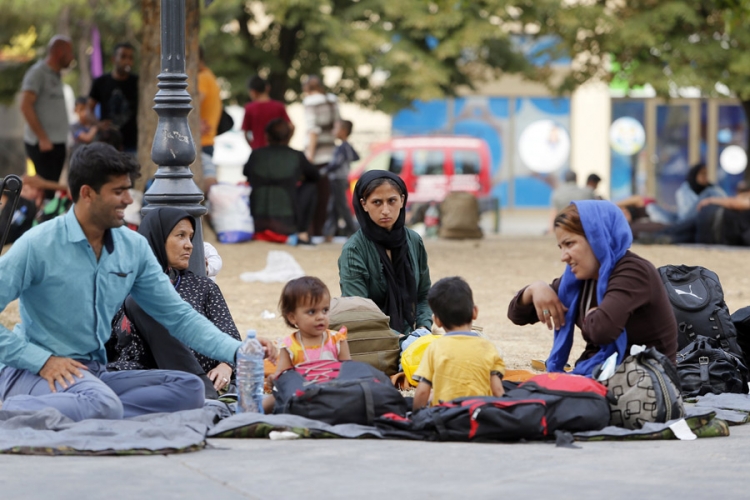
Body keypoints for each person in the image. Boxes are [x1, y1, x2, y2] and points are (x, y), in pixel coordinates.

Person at [0, 142, 276, 422]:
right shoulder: (38, 244)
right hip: (35, 373)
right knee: (103, 404)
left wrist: (238, 350)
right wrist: (39, 360)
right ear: (87, 194)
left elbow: (179, 317)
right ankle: (19, 407)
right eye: (118, 191)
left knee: (190, 389)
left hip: (93, 373)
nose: (129, 200)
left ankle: (90, 408)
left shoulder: (132, 248)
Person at [508, 201, 678, 376]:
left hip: (643, 383)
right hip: (600, 374)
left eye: (570, 244)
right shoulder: (578, 278)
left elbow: (602, 331)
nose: (563, 257)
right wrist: (534, 289)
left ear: (597, 237)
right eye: (561, 247)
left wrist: (591, 316)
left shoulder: (633, 272)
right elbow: (517, 316)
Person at [106, 207, 241, 399]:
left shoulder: (202, 287)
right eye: (180, 236)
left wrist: (226, 367)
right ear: (158, 238)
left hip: (197, 379)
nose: (189, 245)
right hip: (142, 377)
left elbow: (229, 335)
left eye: (190, 237)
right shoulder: (125, 287)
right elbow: (104, 345)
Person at [338, 170, 432, 338]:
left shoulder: (413, 240)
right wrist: (400, 340)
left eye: (392, 201)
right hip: (373, 340)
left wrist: (424, 327)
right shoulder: (354, 250)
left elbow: (423, 294)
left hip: (414, 336)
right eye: (377, 202)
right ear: (364, 204)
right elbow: (359, 311)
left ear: (402, 200)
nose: (386, 210)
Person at [413, 277, 505, 410]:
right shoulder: (489, 347)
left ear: (437, 321)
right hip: (478, 419)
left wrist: (416, 418)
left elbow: (422, 391)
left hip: (445, 419)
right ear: (475, 312)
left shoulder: (434, 348)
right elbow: (497, 391)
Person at [261, 276, 350, 413]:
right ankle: (254, 415)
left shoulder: (337, 340)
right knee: (272, 400)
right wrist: (274, 379)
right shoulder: (290, 345)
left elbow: (349, 371)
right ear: (292, 317)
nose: (320, 316)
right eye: (312, 312)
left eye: (325, 310)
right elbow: (283, 375)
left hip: (333, 391)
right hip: (300, 394)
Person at [243, 118, 319, 244]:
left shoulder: (256, 154)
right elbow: (315, 176)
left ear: (266, 135)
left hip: (256, 221)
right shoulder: (296, 156)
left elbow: (246, 172)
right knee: (311, 187)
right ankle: (302, 232)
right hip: (287, 223)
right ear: (290, 136)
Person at [20, 35, 74, 200]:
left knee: (50, 190)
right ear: (59, 52)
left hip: (56, 143)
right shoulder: (38, 73)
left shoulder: (56, 75)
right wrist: (42, 137)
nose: (72, 57)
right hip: (43, 145)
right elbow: (25, 105)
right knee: (43, 190)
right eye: (70, 52)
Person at [302, 75, 340, 237]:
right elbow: (337, 126)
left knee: (313, 197)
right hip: (331, 154)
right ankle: (326, 232)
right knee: (327, 198)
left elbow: (313, 130)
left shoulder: (310, 102)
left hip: (316, 157)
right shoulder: (332, 101)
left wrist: (309, 155)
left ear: (307, 89)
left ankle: (314, 232)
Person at [88, 42, 139, 154]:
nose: (127, 61)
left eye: (130, 57)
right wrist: (99, 125)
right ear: (113, 59)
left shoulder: (137, 82)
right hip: (108, 144)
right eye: (123, 56)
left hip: (133, 145)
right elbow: (89, 109)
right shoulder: (100, 82)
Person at [323, 120, 359, 241]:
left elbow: (336, 163)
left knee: (342, 207)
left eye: (336, 128)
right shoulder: (347, 147)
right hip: (341, 178)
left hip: (338, 178)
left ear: (343, 131)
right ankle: (328, 232)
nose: (333, 131)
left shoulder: (343, 147)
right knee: (333, 206)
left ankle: (353, 232)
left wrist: (324, 171)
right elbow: (356, 156)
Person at [241, 75, 294, 150]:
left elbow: (246, 134)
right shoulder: (279, 106)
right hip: (277, 150)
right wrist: (285, 143)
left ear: (253, 92)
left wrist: (253, 146)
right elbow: (291, 127)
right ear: (267, 88)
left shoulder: (249, 108)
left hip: (259, 150)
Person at [198, 47, 222, 193]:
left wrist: (192, 126)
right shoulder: (209, 76)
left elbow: (191, 108)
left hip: (200, 143)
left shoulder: (202, 78)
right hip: (205, 143)